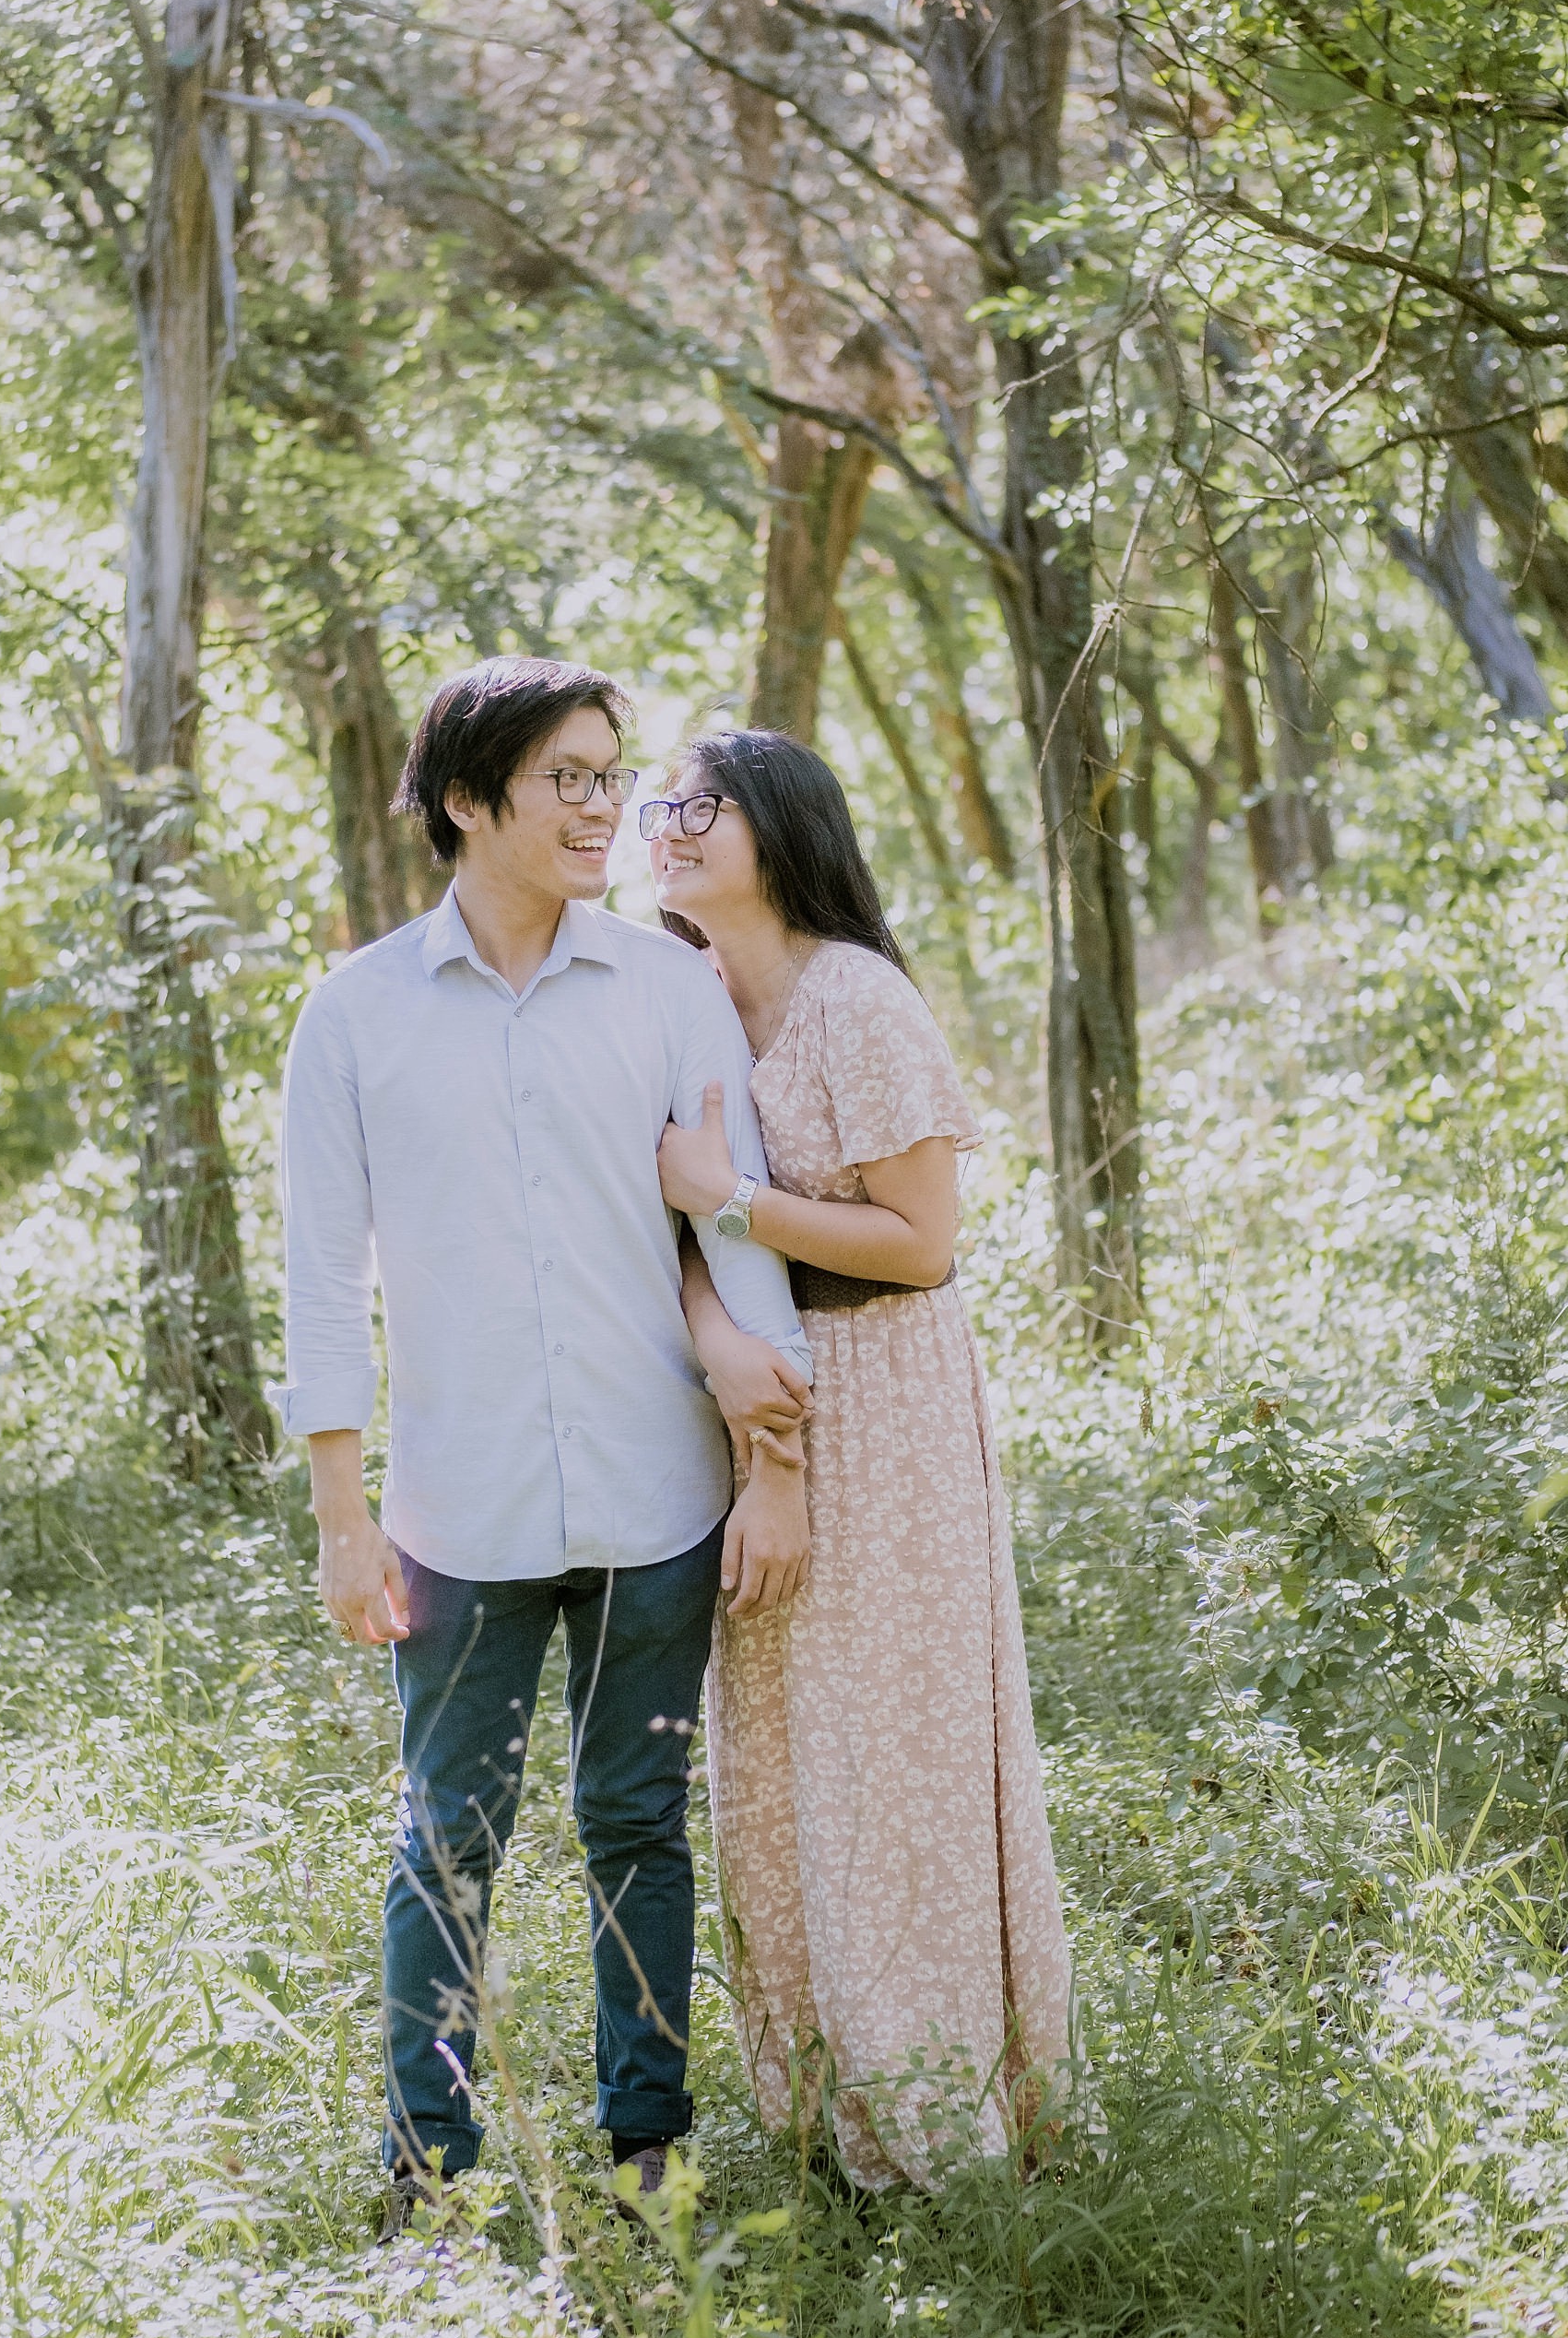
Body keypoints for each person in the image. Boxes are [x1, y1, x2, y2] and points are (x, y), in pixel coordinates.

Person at [271, 658, 816, 2229]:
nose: (605, 810)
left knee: (639, 1820)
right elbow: (318, 1275)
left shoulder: (668, 988)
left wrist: (772, 1464)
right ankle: (429, 2162)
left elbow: (740, 1238)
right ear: (467, 798)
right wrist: (340, 1514)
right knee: (450, 1834)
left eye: (611, 775)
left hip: (661, 1497)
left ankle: (650, 2147)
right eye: (568, 779)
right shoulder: (356, 1012)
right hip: (460, 1506)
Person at [644, 726, 1071, 2188]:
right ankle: (829, 2117)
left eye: (705, 804)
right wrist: (718, 1327)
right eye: (663, 804)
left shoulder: (856, 1000)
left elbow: (923, 1243)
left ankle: (945, 2123)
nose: (672, 823)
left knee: (900, 1754)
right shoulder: (683, 999)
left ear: (782, 826)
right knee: (785, 1760)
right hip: (753, 1393)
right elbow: (666, 1225)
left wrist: (739, 1203)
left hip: (885, 1397)